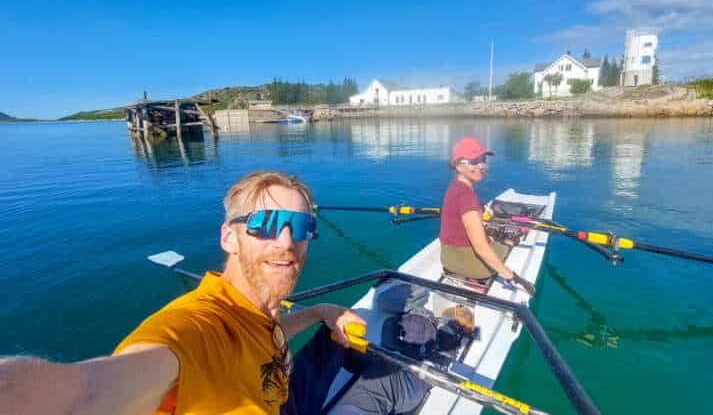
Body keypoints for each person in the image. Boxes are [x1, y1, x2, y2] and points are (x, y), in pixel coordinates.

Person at [0, 171, 428, 415]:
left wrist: (321, 311)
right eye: (263, 224)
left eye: (299, 227)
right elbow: (83, 394)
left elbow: (270, 326)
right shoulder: (196, 326)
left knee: (339, 343)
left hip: (280, 397)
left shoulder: (253, 310)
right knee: (396, 385)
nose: (284, 241)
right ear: (228, 237)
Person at [438, 138, 535, 294]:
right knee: (507, 241)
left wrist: (480, 212)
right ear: (457, 164)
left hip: (448, 259)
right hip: (473, 267)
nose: (481, 165)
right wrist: (513, 278)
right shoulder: (467, 198)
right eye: (474, 161)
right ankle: (508, 242)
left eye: (482, 159)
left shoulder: (454, 187)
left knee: (489, 237)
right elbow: (481, 248)